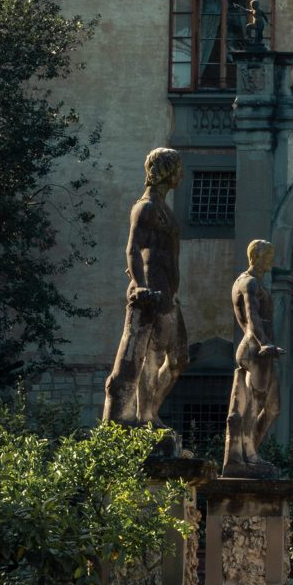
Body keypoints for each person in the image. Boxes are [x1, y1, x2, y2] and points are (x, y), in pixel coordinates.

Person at [102, 147, 188, 433]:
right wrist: (139, 286)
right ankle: (130, 421)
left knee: (175, 360)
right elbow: (132, 248)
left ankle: (148, 413)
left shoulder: (166, 211)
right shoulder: (146, 207)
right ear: (167, 170)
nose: (181, 174)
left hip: (167, 294)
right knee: (136, 358)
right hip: (150, 289)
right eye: (178, 168)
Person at [222, 240, 285, 477]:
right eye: (268, 256)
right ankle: (248, 455)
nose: (271, 261)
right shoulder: (248, 283)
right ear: (256, 257)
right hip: (254, 348)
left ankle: (252, 450)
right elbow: (252, 316)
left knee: (274, 407)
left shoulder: (257, 282)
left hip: (264, 351)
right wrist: (264, 342)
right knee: (253, 403)